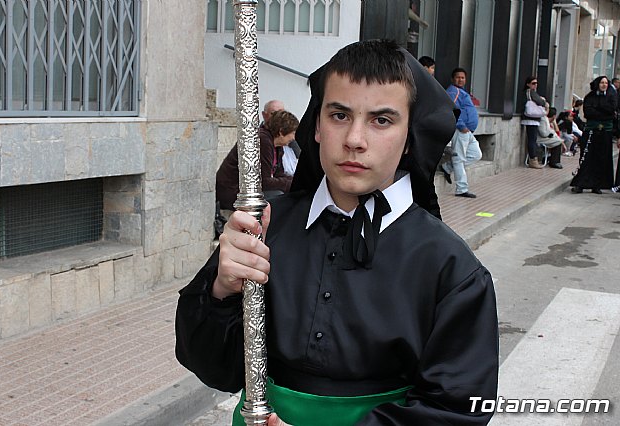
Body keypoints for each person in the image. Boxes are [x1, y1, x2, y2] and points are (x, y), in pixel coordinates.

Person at [175, 39, 498, 426]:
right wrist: (220, 291)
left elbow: (455, 410)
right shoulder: (266, 227)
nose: (354, 140)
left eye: (382, 120)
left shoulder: (450, 268)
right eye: (340, 115)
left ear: (409, 137)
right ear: (315, 127)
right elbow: (215, 369)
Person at [215, 106, 296, 212]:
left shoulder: (277, 146)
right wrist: (289, 183)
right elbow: (264, 182)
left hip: (249, 191)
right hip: (233, 193)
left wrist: (294, 181)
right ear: (281, 131)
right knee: (278, 197)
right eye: (293, 133)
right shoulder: (261, 141)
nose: (294, 138)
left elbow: (278, 174)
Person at [440, 67, 482, 198]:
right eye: (458, 77)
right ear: (453, 79)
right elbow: (450, 109)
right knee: (459, 159)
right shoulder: (453, 92)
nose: (460, 79)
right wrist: (461, 125)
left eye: (463, 77)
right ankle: (461, 189)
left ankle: (447, 167)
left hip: (467, 132)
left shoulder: (461, 92)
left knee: (476, 154)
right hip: (460, 130)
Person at [570, 76, 617, 194]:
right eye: (602, 83)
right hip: (591, 131)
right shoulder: (589, 97)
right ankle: (581, 184)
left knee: (601, 158)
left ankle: (597, 185)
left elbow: (611, 111)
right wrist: (602, 111)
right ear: (597, 84)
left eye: (606, 83)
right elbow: (588, 113)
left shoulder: (611, 97)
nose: (604, 85)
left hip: (605, 132)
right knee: (586, 157)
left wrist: (599, 110)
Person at [521, 76, 547, 169]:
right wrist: (543, 100)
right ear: (528, 84)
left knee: (532, 139)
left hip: (530, 118)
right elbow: (540, 102)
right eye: (533, 83)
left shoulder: (529, 92)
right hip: (531, 119)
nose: (535, 85)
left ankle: (533, 159)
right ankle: (533, 159)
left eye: (536, 83)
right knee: (532, 139)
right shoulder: (530, 92)